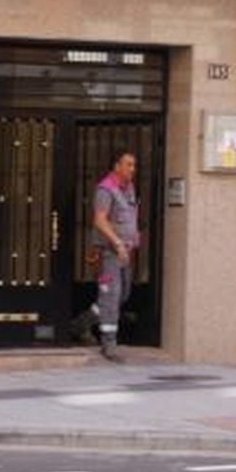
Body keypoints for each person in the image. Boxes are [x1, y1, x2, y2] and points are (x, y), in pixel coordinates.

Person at [90, 151, 140, 362]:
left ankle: (83, 323)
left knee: (123, 293)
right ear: (117, 166)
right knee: (111, 294)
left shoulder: (128, 189)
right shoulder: (105, 189)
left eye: (134, 165)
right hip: (109, 252)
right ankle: (108, 344)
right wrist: (118, 243)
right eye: (128, 164)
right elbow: (100, 221)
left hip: (124, 252)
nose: (132, 169)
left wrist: (133, 241)